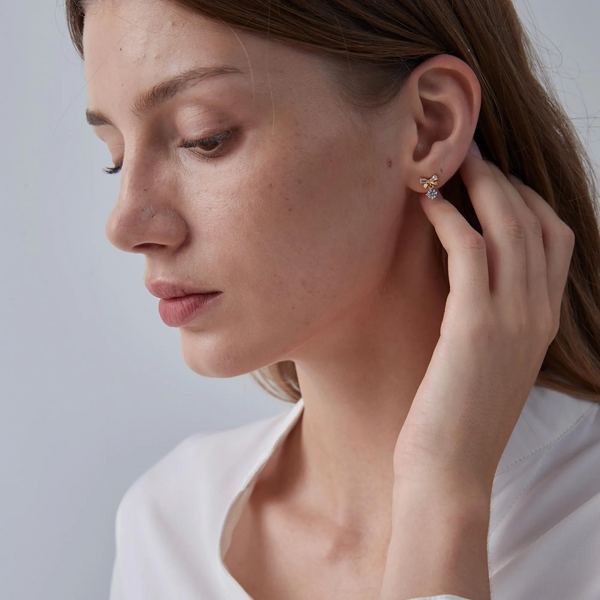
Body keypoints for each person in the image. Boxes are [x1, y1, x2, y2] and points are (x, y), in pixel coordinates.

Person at [65, 0, 600, 598]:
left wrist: (443, 496)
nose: (125, 223)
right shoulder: (169, 526)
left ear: (430, 125)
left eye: (203, 137)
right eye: (114, 159)